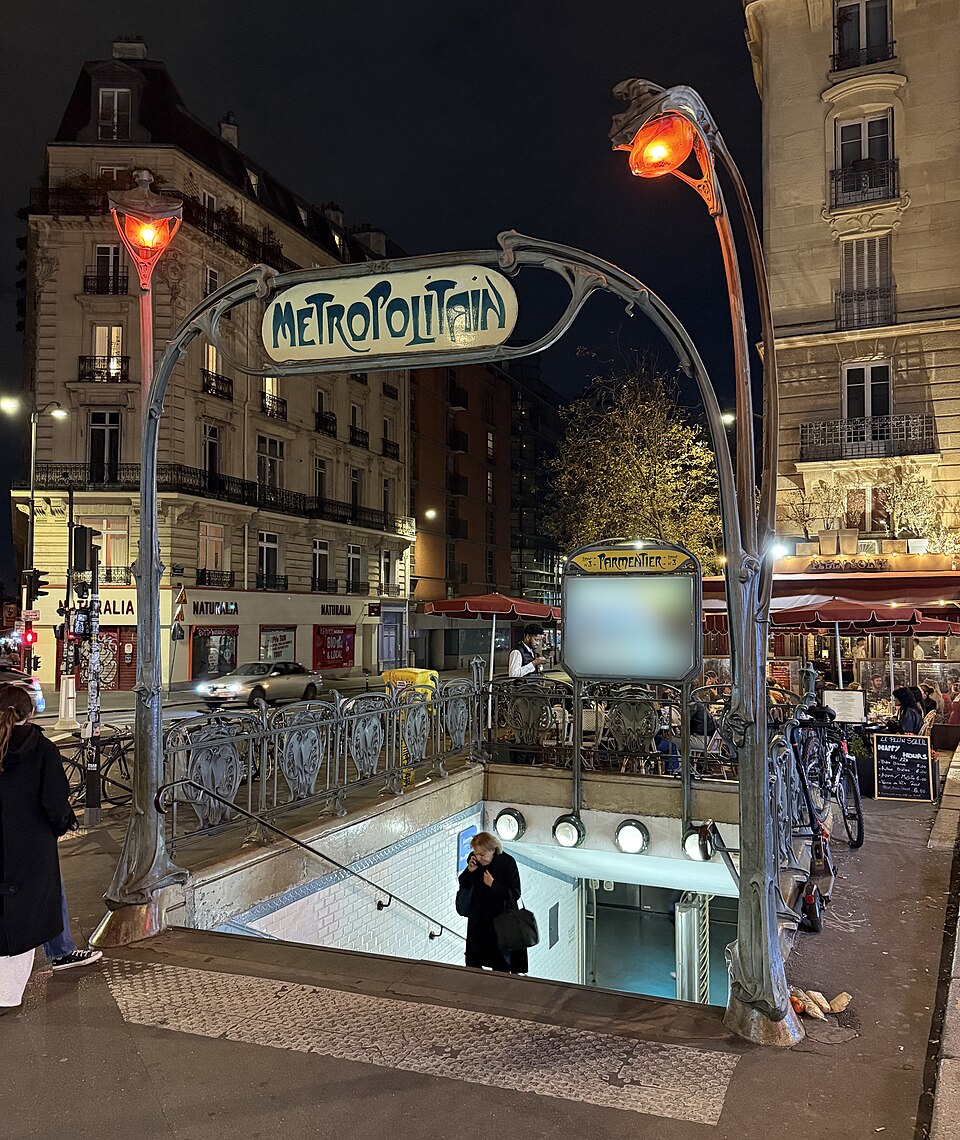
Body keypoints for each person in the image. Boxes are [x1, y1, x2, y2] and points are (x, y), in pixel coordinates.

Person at [0, 684, 78, 1012]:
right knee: (26, 916)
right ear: (29, 713)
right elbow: (54, 801)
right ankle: (7, 995)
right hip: (30, 846)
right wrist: (63, 824)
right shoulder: (41, 749)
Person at [457, 831, 527, 974]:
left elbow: (514, 893)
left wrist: (493, 885)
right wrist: (470, 871)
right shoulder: (474, 861)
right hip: (478, 919)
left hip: (499, 921)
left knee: (500, 962)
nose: (478, 857)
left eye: (482, 854)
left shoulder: (507, 863)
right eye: (476, 853)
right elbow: (463, 883)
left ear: (493, 850)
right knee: (473, 959)